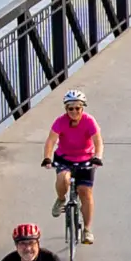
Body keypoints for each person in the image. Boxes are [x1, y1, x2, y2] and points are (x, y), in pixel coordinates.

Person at [43, 88, 105, 246]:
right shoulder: (60, 122)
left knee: (85, 193)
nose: (74, 111)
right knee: (63, 178)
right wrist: (47, 158)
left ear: (82, 108)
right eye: (71, 108)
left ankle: (87, 230)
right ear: (66, 109)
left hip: (86, 159)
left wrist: (98, 157)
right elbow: (51, 141)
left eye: (78, 108)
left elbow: (98, 142)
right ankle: (60, 199)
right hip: (65, 159)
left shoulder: (89, 121)